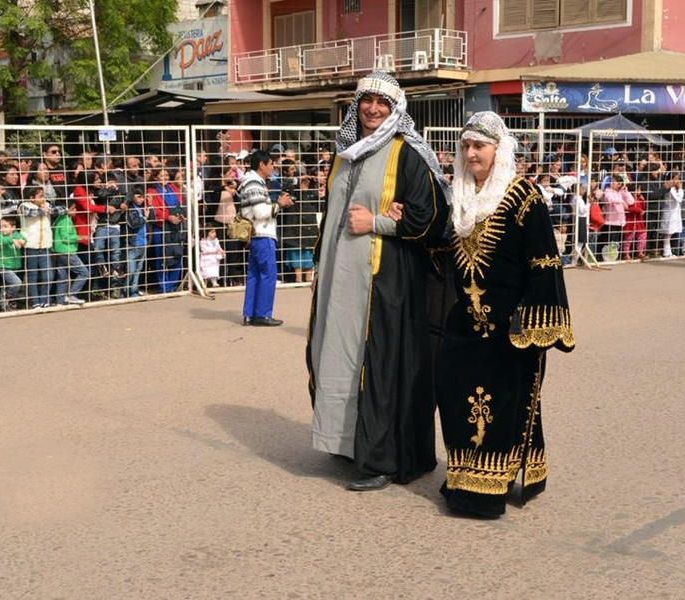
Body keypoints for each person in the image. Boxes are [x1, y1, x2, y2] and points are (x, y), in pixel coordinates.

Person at [306, 71, 449, 491]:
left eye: (382, 103)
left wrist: (379, 222)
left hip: (383, 283)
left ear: (395, 109)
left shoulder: (408, 153)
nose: (373, 109)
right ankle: (347, 442)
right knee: (335, 355)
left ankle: (381, 458)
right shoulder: (345, 152)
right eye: (366, 101)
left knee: (378, 363)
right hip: (339, 279)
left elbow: (432, 218)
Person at [435, 111, 573, 518]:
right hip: (465, 325)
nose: (471, 153)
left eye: (479, 145)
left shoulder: (524, 197)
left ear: (499, 149)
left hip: (510, 329)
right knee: (457, 400)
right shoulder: (458, 199)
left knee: (504, 407)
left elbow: (545, 263)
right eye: (466, 146)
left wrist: (534, 325)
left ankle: (484, 492)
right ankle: (462, 477)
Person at [237, 150, 293, 326]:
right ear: (262, 165)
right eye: (271, 164)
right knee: (268, 274)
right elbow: (260, 212)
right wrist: (280, 204)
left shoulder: (251, 181)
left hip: (256, 235)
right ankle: (262, 314)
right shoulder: (255, 183)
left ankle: (250, 313)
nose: (273, 167)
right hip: (263, 233)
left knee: (254, 274)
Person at [20, 185, 66, 308]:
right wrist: (43, 210)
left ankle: (44, 299)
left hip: (45, 246)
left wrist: (48, 210)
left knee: (48, 276)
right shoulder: (24, 206)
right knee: (32, 276)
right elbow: (29, 213)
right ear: (31, 198)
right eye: (40, 196)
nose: (43, 198)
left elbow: (63, 209)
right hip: (31, 247)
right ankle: (35, 302)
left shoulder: (47, 206)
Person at [51, 199, 89, 305]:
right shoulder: (65, 220)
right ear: (70, 209)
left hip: (58, 251)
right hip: (66, 251)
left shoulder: (59, 219)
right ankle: (72, 294)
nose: (76, 210)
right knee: (84, 272)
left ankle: (60, 300)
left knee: (62, 277)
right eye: (75, 208)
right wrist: (80, 237)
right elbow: (66, 237)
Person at [0, 216, 26, 310]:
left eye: (5, 226)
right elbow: (1, 241)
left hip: (15, 265)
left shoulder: (17, 234)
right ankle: (9, 297)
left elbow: (22, 241)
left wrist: (18, 241)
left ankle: (4, 304)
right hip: (3, 265)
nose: (2, 229)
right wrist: (13, 240)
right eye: (1, 226)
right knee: (16, 282)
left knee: (7, 285)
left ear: (13, 227)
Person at [125, 190, 150, 298]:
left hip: (143, 242)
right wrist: (144, 218)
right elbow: (133, 224)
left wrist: (150, 205)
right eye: (139, 197)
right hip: (133, 243)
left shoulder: (143, 208)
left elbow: (151, 219)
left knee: (138, 269)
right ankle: (124, 290)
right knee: (131, 270)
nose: (142, 199)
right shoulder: (130, 208)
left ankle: (133, 291)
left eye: (143, 197)